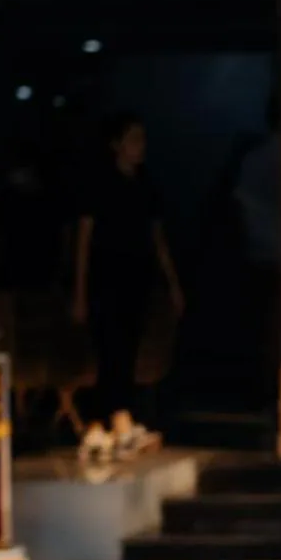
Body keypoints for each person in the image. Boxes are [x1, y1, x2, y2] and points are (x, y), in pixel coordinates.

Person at [71, 114, 184, 451]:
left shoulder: (145, 184)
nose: (140, 147)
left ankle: (110, 422)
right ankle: (114, 420)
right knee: (110, 348)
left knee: (128, 349)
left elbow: (157, 237)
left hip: (138, 276)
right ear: (116, 144)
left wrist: (173, 283)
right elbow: (84, 237)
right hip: (105, 277)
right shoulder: (100, 183)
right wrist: (79, 290)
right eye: (133, 139)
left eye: (142, 140)